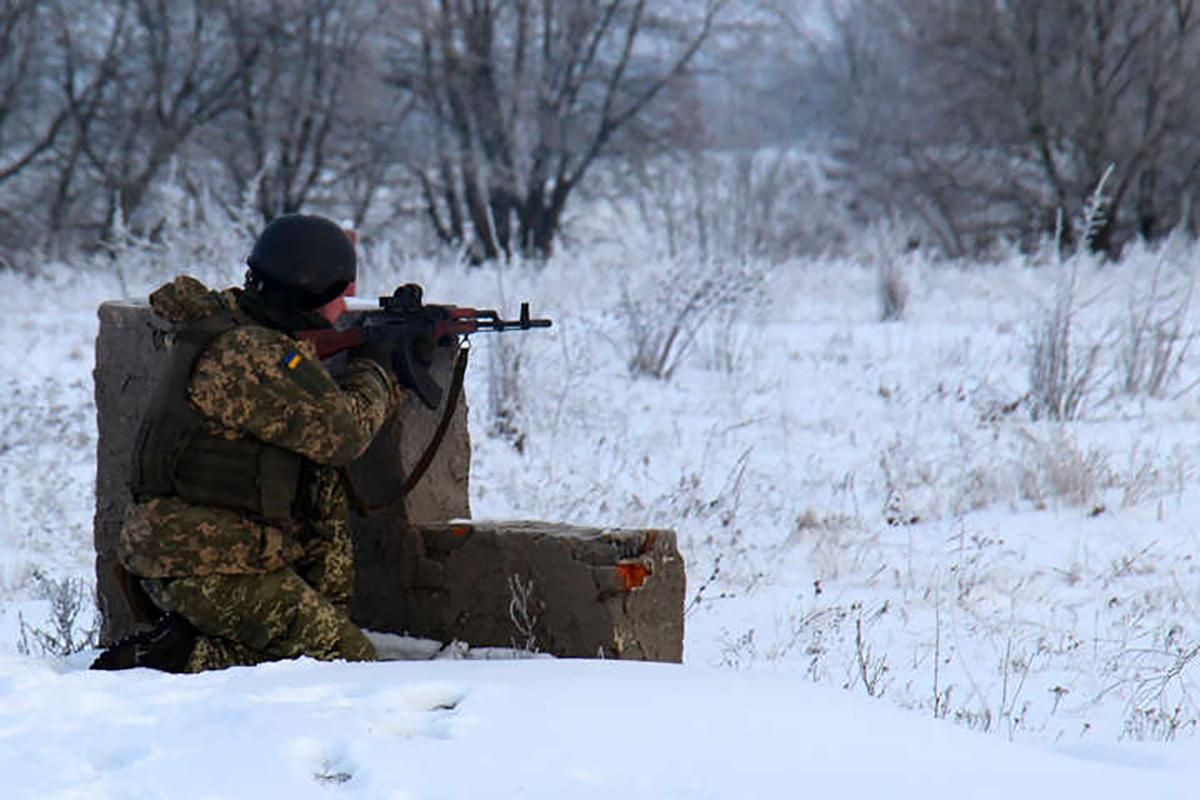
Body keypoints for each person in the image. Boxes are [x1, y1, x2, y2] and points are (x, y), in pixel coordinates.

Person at [92, 214, 401, 673]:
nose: (346, 303)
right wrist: (377, 367)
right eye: (342, 292)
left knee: (308, 647)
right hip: (204, 563)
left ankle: (185, 642)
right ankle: (176, 658)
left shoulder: (230, 323)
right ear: (317, 291)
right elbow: (344, 435)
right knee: (347, 660)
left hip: (187, 550)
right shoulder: (252, 354)